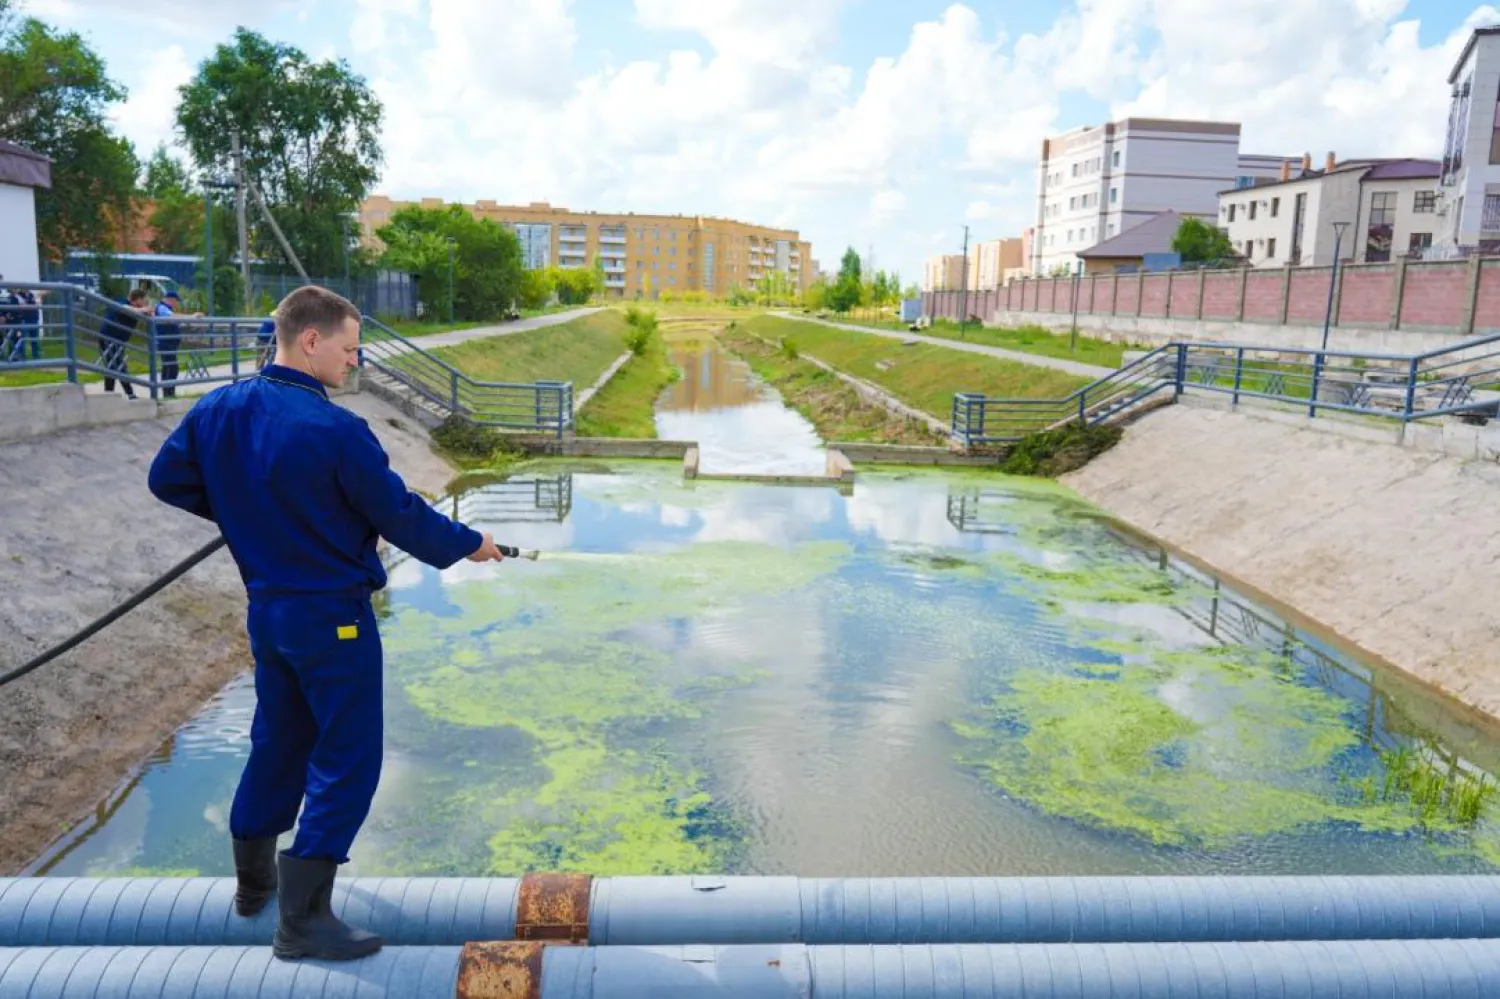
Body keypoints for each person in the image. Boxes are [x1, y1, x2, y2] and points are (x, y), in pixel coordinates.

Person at [147, 285, 506, 961]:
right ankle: (303, 919)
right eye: (348, 347)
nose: (355, 359)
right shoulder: (337, 429)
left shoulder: (217, 408)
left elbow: (166, 479)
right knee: (348, 757)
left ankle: (253, 888)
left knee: (279, 741)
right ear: (310, 340)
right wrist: (468, 542)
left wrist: (247, 512)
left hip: (269, 613)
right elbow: (399, 513)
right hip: (332, 619)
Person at [99, 289, 149, 399]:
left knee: (113, 366)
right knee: (117, 365)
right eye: (144, 300)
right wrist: (142, 309)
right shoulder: (122, 302)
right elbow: (125, 309)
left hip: (119, 340)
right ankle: (129, 394)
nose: (145, 303)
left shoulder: (137, 309)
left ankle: (109, 394)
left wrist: (148, 312)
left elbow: (148, 316)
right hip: (109, 337)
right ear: (138, 299)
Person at [153, 288, 202, 398]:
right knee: (171, 367)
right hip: (165, 342)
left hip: (169, 342)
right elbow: (172, 317)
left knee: (169, 367)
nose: (176, 304)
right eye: (176, 301)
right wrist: (191, 317)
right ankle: (168, 392)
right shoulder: (162, 308)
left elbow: (174, 319)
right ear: (170, 299)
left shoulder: (164, 308)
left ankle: (169, 392)